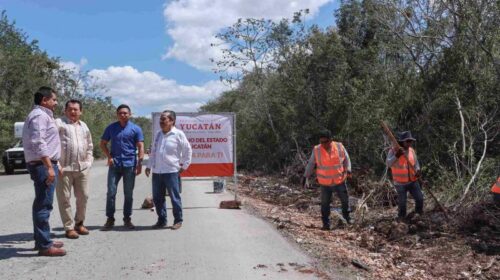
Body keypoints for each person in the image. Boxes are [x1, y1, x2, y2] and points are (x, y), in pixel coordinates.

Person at [22, 86, 66, 256]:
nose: (56, 102)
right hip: (42, 165)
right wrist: (49, 166)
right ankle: (44, 245)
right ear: (44, 100)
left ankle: (42, 239)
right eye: (54, 99)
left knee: (42, 202)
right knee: (44, 204)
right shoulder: (40, 116)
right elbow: (38, 142)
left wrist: (56, 164)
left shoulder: (42, 115)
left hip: (45, 163)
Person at [100, 104, 144, 230]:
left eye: (125, 113)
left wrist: (139, 163)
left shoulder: (136, 129)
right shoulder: (111, 128)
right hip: (115, 165)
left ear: (130, 114)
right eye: (120, 113)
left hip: (130, 165)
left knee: (128, 194)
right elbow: (102, 143)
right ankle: (110, 219)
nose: (123, 115)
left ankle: (127, 219)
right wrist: (109, 156)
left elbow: (140, 146)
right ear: (117, 114)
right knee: (111, 193)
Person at [145, 110, 192, 230]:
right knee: (158, 198)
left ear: (172, 121)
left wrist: (184, 166)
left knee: (174, 197)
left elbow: (188, 150)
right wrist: (149, 166)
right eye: (160, 119)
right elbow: (154, 151)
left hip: (171, 171)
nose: (161, 121)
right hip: (157, 172)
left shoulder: (178, 134)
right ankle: (161, 220)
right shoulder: (158, 134)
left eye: (164, 119)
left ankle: (178, 220)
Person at [55, 99, 94, 239]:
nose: (73, 112)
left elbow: (89, 145)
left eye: (75, 109)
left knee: (83, 196)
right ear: (65, 110)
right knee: (64, 198)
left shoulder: (84, 125)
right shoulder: (59, 123)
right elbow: (51, 142)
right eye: (70, 109)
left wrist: (89, 161)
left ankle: (79, 223)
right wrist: (56, 164)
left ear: (80, 112)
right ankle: (69, 227)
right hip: (63, 168)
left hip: (82, 168)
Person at [302, 129, 352, 230]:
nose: (323, 144)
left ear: (330, 140)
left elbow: (347, 159)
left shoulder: (339, 146)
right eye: (321, 142)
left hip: (339, 180)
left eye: (325, 142)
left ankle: (347, 220)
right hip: (325, 183)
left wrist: (348, 170)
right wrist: (305, 176)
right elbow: (311, 164)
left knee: (345, 201)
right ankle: (326, 224)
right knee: (325, 204)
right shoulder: (317, 150)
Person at [386, 131, 423, 220]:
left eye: (411, 141)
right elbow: (388, 163)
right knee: (402, 203)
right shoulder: (393, 150)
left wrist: (418, 170)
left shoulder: (411, 150)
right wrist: (397, 155)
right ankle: (401, 219)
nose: (410, 143)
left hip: (413, 180)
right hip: (400, 183)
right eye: (408, 141)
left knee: (420, 199)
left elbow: (416, 163)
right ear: (402, 141)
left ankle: (418, 216)